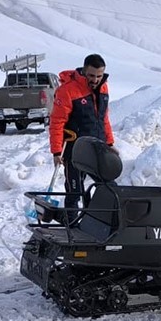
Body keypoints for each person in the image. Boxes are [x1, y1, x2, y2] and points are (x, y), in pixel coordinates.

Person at [49, 53, 115, 212]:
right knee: (74, 191)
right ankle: (71, 227)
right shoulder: (68, 91)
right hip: (75, 149)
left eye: (99, 76)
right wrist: (56, 152)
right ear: (84, 71)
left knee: (108, 187)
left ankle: (98, 221)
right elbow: (57, 122)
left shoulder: (103, 87)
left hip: (97, 148)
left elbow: (103, 118)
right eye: (91, 75)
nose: (95, 79)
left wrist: (109, 143)